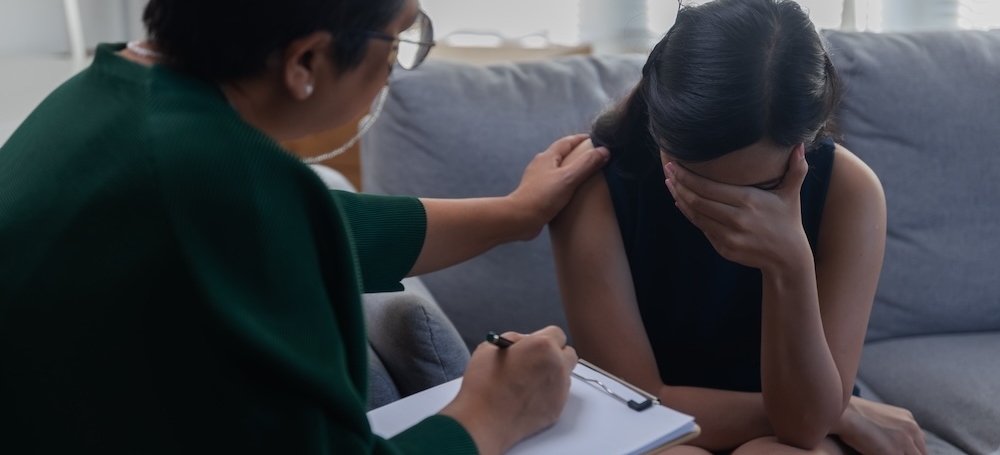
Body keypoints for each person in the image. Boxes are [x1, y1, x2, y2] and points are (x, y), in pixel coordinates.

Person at [0, 0, 610, 454]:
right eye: (399, 38)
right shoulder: (228, 180)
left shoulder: (106, 99)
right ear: (306, 61)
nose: (397, 69)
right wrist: (492, 411)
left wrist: (516, 213)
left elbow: (325, 225)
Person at [549, 0, 926, 454]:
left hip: (797, 430)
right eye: (692, 178)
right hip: (664, 431)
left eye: (762, 188)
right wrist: (841, 414)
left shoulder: (850, 191)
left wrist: (788, 263)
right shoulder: (596, 186)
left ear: (803, 147)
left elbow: (801, 430)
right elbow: (641, 405)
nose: (728, 210)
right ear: (658, 122)